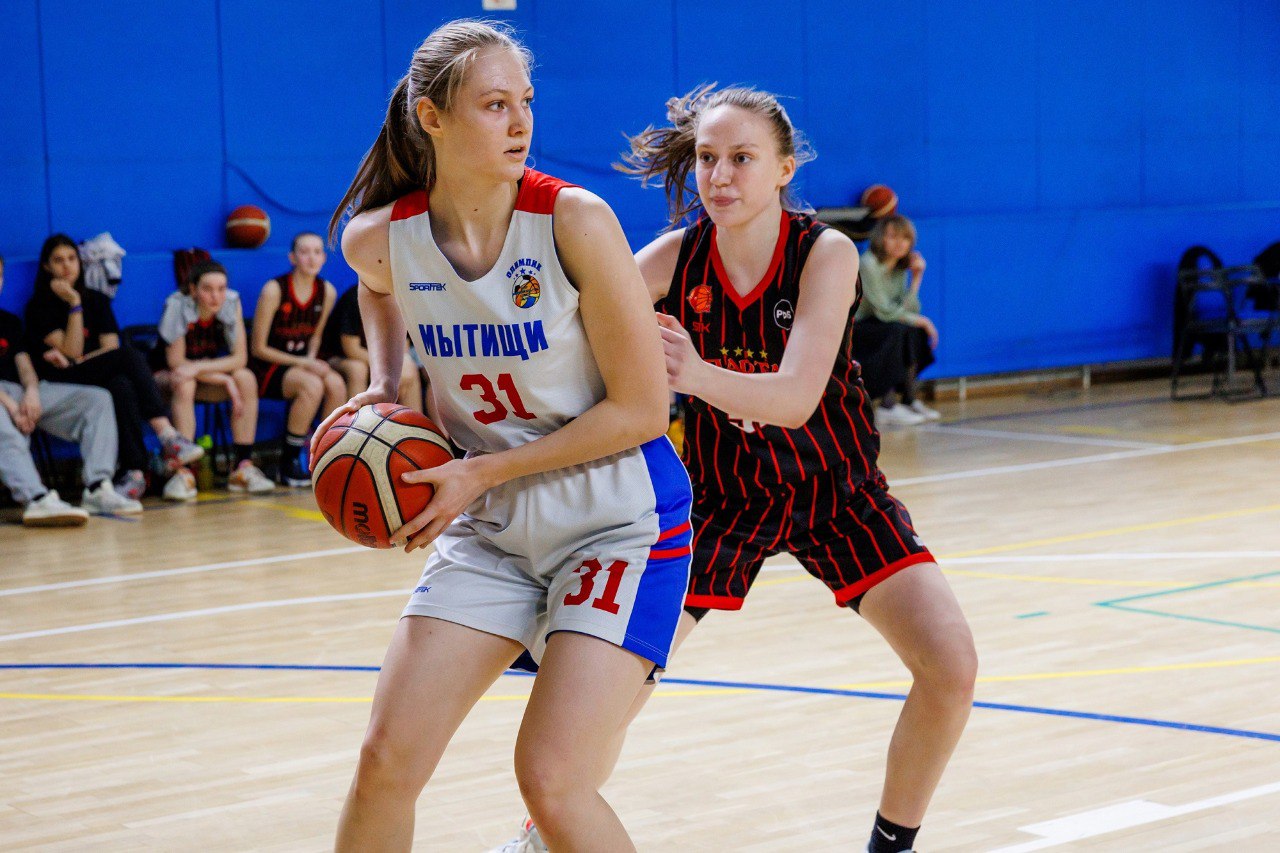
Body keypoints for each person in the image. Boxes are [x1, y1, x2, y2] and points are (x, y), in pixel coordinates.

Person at [495, 85, 976, 853]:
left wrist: (691, 371)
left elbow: (794, 397)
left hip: (838, 493)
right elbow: (568, 321)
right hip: (721, 502)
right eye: (708, 158)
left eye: (742, 158)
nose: (720, 176)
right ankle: (544, 830)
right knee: (615, 693)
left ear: (784, 168)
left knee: (950, 667)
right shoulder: (676, 256)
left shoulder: (825, 253)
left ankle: (891, 847)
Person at [318, 20, 690, 852]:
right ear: (432, 117)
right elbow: (374, 284)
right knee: (384, 761)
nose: (521, 122)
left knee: (553, 780)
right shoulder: (384, 238)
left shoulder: (572, 220)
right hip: (491, 526)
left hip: (617, 522)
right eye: (494, 105)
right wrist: (384, 380)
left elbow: (642, 411)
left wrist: (482, 471)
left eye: (525, 101)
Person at [24, 234, 204, 501]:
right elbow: (72, 348)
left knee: (121, 385)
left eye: (72, 259)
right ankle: (166, 433)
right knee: (128, 357)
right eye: (59, 260)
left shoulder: (97, 299)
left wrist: (81, 359)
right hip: (62, 379)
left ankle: (135, 473)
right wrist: (74, 304)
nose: (67, 266)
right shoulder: (39, 306)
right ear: (47, 266)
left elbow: (109, 347)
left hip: (89, 370)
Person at [0, 253, 139, 522]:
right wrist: (13, 407)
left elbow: (24, 366)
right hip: (3, 400)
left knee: (97, 400)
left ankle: (97, 487)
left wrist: (31, 393)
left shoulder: (8, 322)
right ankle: (35, 497)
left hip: (21, 392)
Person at [154, 260, 274, 497]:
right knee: (185, 383)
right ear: (193, 289)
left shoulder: (231, 301)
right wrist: (223, 379)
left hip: (201, 376)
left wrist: (221, 377)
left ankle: (242, 467)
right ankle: (183, 472)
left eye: (221, 288)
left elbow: (240, 358)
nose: (216, 296)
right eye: (208, 289)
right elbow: (176, 363)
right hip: (164, 378)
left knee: (245, 378)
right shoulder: (177, 304)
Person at [248, 232, 346, 487]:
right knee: (311, 385)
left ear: (324, 258)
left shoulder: (327, 291)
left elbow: (315, 337)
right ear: (292, 257)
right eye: (304, 252)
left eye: (317, 252)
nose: (311, 258)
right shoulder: (274, 290)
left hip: (301, 363)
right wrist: (305, 364)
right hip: (268, 366)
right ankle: (288, 463)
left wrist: (310, 360)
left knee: (336, 384)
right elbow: (258, 348)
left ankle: (325, 455)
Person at [855, 215, 940, 426]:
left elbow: (909, 309)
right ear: (880, 238)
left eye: (905, 238)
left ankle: (909, 399)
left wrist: (917, 278)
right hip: (857, 327)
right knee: (897, 330)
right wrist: (922, 321)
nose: (900, 243)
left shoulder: (899, 267)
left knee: (912, 331)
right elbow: (883, 311)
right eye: (893, 237)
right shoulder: (868, 263)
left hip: (881, 324)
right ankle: (887, 404)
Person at [320, 283, 424, 410]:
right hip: (340, 358)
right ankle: (358, 420)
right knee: (358, 369)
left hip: (377, 361)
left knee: (409, 368)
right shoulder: (355, 297)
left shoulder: (399, 300)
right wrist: (389, 368)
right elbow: (352, 350)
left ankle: (413, 421)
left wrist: (397, 368)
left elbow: (403, 346)